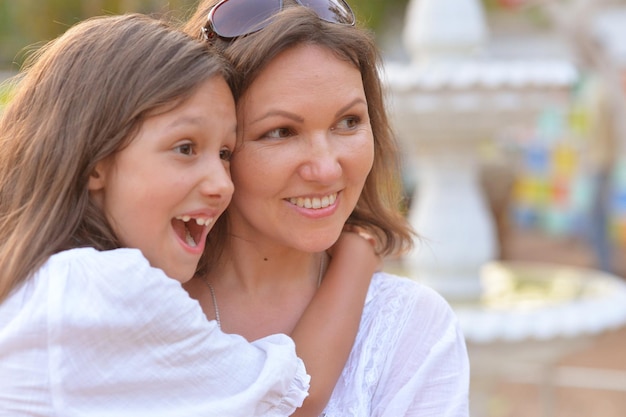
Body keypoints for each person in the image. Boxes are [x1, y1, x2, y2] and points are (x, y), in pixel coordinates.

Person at [0, 13, 380, 416]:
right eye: (185, 148)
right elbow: (290, 398)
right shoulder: (105, 288)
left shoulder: (37, 278)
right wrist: (357, 255)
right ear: (95, 163)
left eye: (224, 154)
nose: (222, 183)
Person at [182, 1, 470, 416]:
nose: (326, 167)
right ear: (214, 147)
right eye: (281, 132)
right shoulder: (134, 302)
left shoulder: (408, 327)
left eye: (349, 122)